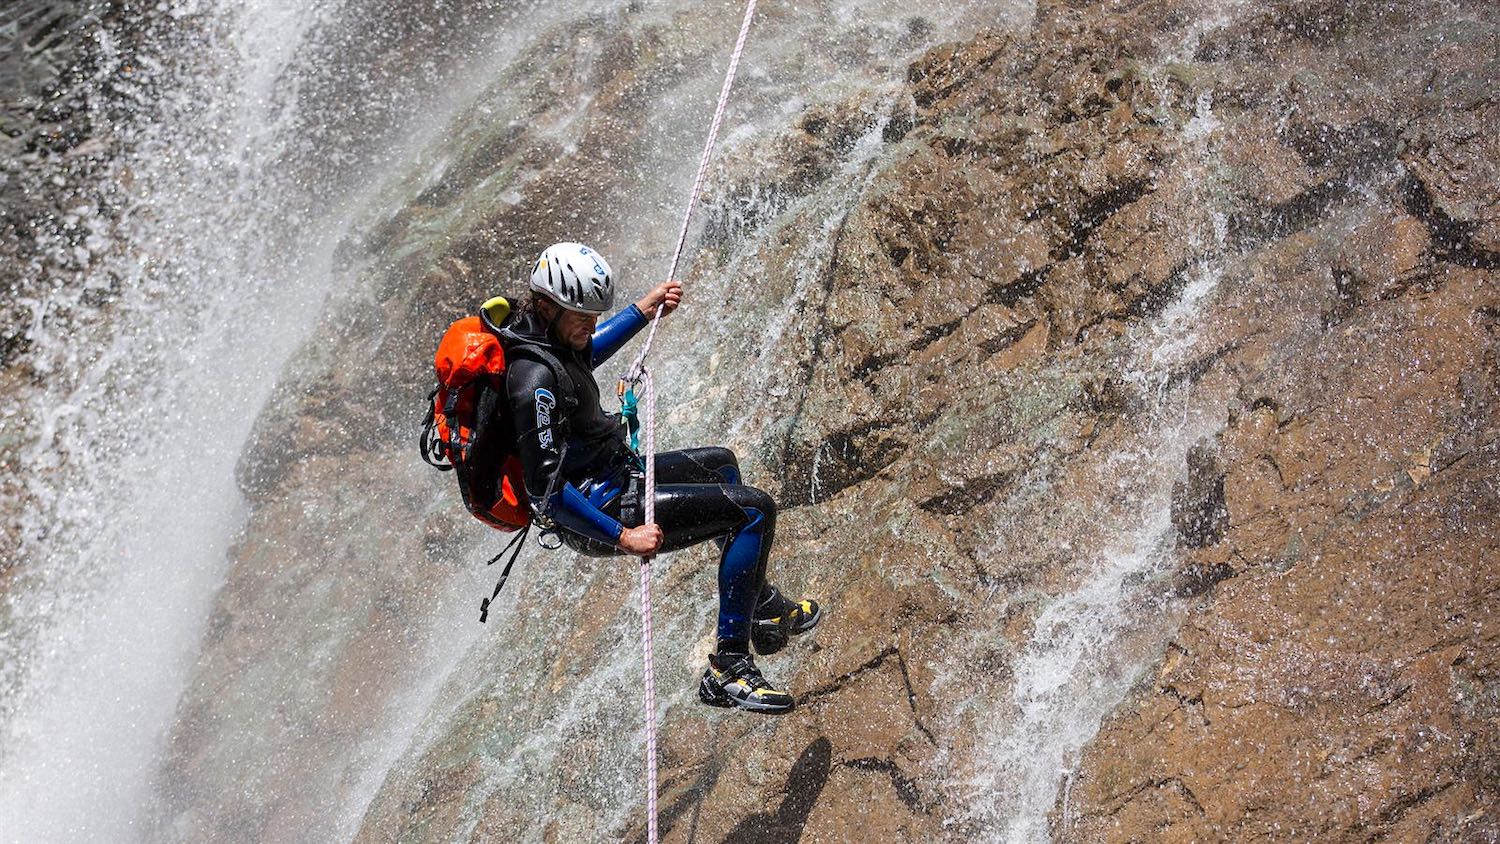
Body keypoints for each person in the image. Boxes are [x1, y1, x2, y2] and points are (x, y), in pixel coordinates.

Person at [496, 241, 820, 714]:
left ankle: (762, 604)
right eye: (580, 315)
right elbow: (545, 494)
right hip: (601, 508)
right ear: (546, 306)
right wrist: (622, 536)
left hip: (615, 474)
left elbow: (584, 354)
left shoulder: (548, 339)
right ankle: (729, 668)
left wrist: (640, 312)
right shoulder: (531, 382)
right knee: (753, 510)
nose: (588, 325)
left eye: (593, 314)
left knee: (722, 464)